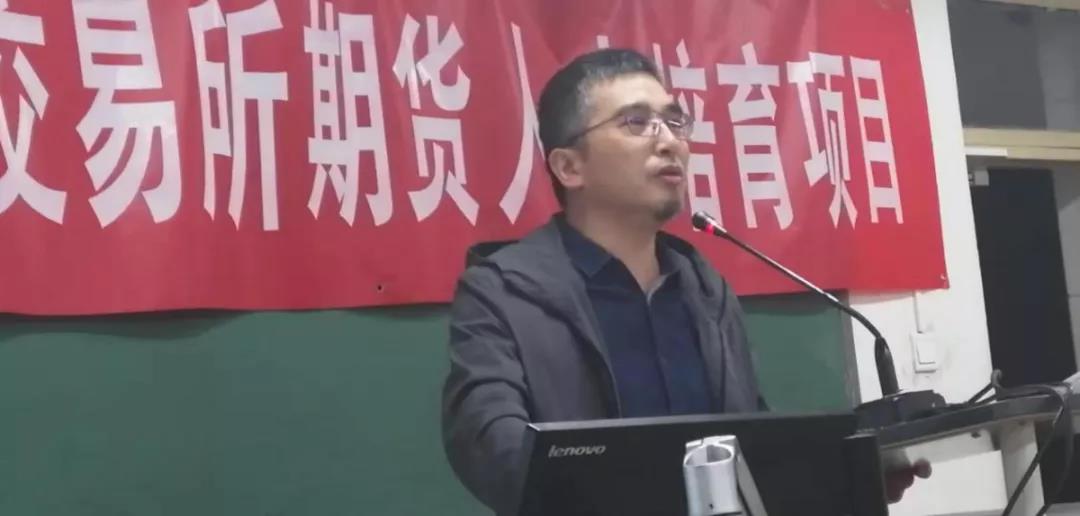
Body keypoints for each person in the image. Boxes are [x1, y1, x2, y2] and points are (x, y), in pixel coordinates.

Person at [440, 48, 926, 514]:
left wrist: (849, 474)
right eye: (636, 122)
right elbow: (490, 445)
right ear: (569, 167)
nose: (670, 141)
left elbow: (752, 447)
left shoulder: (704, 289)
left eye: (674, 121)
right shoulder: (503, 291)